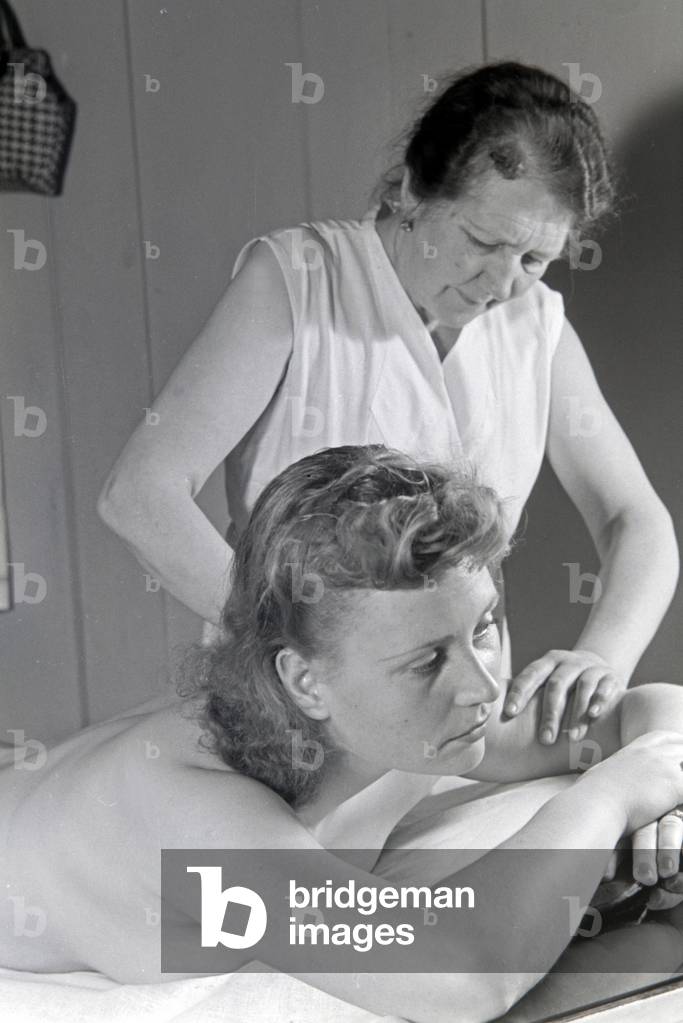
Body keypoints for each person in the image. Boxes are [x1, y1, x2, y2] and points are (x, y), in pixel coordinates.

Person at [97, 61, 677, 745]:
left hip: (459, 723)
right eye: (482, 242)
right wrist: (307, 647)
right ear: (409, 191)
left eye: (533, 259)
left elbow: (632, 518)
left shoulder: (534, 326)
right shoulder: (299, 279)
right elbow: (139, 494)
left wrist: (601, 657)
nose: (499, 282)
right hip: (297, 713)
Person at [6, 446, 683, 1023]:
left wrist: (665, 782)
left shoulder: (410, 717)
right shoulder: (195, 823)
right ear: (303, 681)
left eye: (483, 626)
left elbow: (645, 710)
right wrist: (615, 793)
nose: (482, 684)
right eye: (426, 660)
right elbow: (465, 971)